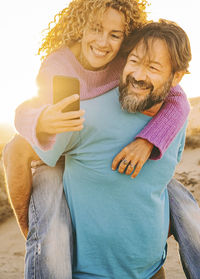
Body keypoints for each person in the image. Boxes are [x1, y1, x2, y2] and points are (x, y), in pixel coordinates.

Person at [2, 0, 197, 278]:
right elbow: (21, 135)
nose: (103, 42)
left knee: (183, 204)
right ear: (81, 27)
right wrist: (41, 120)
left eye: (115, 35)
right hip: (89, 269)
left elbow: (178, 101)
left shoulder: (167, 106)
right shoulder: (61, 70)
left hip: (153, 271)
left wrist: (150, 139)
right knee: (49, 189)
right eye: (96, 29)